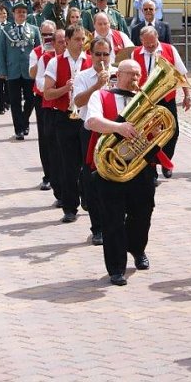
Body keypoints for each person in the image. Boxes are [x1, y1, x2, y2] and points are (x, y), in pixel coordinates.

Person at [85, 59, 156, 286]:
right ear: (119, 74)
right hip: (110, 167)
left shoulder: (145, 99)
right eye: (131, 75)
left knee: (143, 213)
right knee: (112, 218)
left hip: (140, 167)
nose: (135, 80)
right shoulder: (102, 96)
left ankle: (136, 248)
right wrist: (118, 127)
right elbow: (92, 121)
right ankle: (116, 268)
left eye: (138, 75)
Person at [43, 25, 92, 223]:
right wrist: (65, 88)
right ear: (69, 41)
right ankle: (69, 207)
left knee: (88, 164)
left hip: (86, 116)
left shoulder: (90, 61)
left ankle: (89, 201)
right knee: (68, 165)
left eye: (83, 39)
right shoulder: (55, 62)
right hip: (64, 117)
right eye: (78, 39)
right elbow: (47, 93)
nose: (81, 43)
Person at [131, 26, 191, 180]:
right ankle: (151, 170)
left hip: (166, 97)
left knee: (173, 132)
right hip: (146, 99)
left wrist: (187, 95)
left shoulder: (169, 49)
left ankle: (165, 161)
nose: (151, 47)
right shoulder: (135, 53)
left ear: (157, 38)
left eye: (153, 43)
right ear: (141, 41)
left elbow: (182, 73)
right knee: (147, 134)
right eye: (147, 44)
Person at [73, 37, 115, 246]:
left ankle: (114, 222)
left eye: (105, 54)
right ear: (90, 55)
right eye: (97, 54)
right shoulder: (83, 76)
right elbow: (78, 102)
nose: (101, 59)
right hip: (90, 131)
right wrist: (97, 86)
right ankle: (97, 227)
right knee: (92, 177)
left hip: (115, 131)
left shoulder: (118, 73)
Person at [0, 1, 41, 140]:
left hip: (29, 71)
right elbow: (1, 51)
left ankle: (25, 120)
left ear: (27, 14)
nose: (21, 14)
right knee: (15, 101)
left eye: (23, 12)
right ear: (13, 14)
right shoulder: (5, 30)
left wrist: (40, 69)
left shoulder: (34, 29)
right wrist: (2, 70)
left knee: (30, 99)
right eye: (18, 12)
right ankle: (19, 129)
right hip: (13, 70)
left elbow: (39, 50)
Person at [29, 21, 63, 199]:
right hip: (43, 100)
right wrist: (44, 55)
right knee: (45, 139)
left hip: (62, 102)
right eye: (45, 35)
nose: (48, 38)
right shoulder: (37, 53)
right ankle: (48, 175)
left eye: (51, 34)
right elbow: (34, 76)